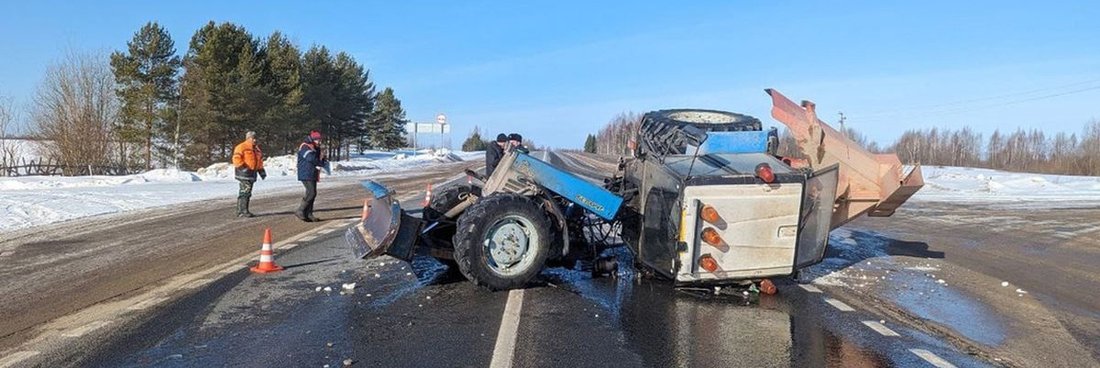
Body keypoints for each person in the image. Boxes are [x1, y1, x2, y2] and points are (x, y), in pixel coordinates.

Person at [232, 131, 266, 217]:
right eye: (253, 138)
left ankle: (241, 210)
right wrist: (243, 168)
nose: (255, 140)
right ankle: (242, 211)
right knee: (245, 191)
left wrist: (261, 171)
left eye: (255, 138)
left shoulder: (256, 149)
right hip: (243, 174)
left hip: (252, 174)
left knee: (247, 191)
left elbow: (259, 161)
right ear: (248, 138)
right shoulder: (241, 147)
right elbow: (236, 158)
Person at [296, 130, 328, 222]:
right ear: (313, 139)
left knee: (312, 193)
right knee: (311, 192)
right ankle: (300, 210)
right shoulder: (305, 146)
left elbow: (317, 158)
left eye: (320, 140)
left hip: (312, 172)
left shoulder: (315, 147)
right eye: (317, 140)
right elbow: (311, 158)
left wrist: (323, 159)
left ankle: (309, 214)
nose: (319, 141)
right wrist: (320, 162)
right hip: (305, 172)